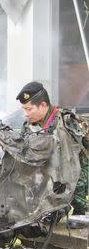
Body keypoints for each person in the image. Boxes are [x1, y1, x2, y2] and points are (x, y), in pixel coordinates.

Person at [16, 81, 88, 215]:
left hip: (75, 184)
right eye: (24, 109)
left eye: (29, 109)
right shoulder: (28, 126)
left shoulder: (66, 121)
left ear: (43, 105)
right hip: (46, 183)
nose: (26, 114)